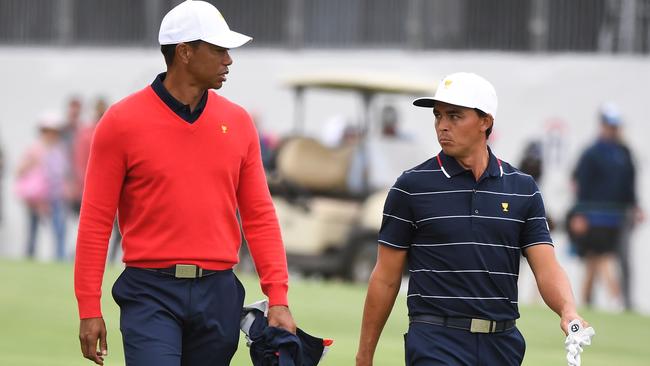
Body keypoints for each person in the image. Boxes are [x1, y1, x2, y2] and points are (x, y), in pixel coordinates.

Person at [74, 2, 296, 365]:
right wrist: (88, 306)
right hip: (150, 292)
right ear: (185, 52)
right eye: (219, 49)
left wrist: (279, 298)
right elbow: (96, 221)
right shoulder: (120, 122)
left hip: (219, 293)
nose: (229, 60)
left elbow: (259, 216)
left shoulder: (238, 123)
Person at [356, 72, 588, 365]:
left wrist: (568, 309)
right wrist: (365, 355)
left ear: (485, 121)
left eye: (455, 116)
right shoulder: (411, 187)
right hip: (435, 341)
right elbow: (385, 279)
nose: (442, 126)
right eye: (438, 116)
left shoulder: (522, 189)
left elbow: (546, 267)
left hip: (502, 345)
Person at [570, 103, 643, 311]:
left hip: (620, 215)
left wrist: (635, 206)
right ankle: (590, 303)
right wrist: (580, 213)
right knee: (595, 259)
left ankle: (626, 303)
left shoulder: (624, 152)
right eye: (610, 125)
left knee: (621, 259)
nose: (613, 130)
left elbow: (630, 183)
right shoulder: (591, 153)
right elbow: (581, 183)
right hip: (595, 216)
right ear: (602, 125)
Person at [16, 112, 69, 260]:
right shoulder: (34, 149)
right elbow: (20, 170)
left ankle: (60, 258)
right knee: (33, 229)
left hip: (55, 195)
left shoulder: (60, 149)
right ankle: (29, 256)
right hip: (37, 197)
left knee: (59, 229)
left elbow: (62, 172)